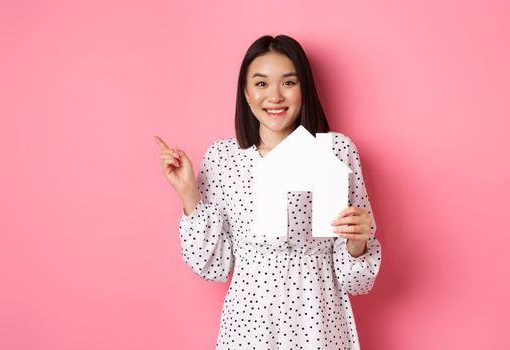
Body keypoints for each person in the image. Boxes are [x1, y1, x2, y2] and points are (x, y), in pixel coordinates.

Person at [153, 34, 382, 349]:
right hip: (250, 325)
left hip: (317, 320)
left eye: (289, 83)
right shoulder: (223, 158)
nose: (275, 96)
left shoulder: (337, 151)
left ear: (305, 90)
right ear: (246, 94)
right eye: (261, 84)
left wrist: (358, 244)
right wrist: (188, 193)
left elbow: (356, 282)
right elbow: (213, 264)